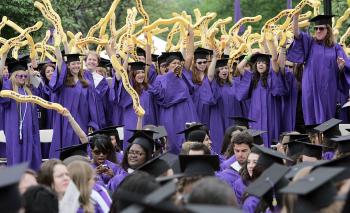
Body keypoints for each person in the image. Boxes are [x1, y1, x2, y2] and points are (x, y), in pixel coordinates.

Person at [287, 13, 350, 126]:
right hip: (311, 87)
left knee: (326, 124)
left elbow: (344, 68)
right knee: (311, 121)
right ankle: (314, 142)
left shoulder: (336, 48)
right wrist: (296, 16)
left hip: (328, 90)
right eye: (316, 28)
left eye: (321, 28)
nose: (318, 31)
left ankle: (325, 143)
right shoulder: (310, 42)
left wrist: (340, 67)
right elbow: (296, 33)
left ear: (328, 30)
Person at [49, 45, 99, 158]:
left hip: (82, 121)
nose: (76, 66)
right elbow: (54, 83)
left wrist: (92, 123)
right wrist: (58, 49)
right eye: (73, 64)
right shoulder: (62, 84)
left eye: (78, 63)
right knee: (65, 146)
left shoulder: (87, 84)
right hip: (64, 121)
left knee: (79, 147)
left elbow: (92, 106)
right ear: (68, 66)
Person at [236, 49, 288, 147]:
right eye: (259, 62)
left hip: (271, 114)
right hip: (256, 115)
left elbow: (275, 64)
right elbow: (239, 67)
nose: (260, 65)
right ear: (255, 65)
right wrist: (250, 54)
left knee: (271, 136)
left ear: (268, 65)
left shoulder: (272, 77)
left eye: (264, 63)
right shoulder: (252, 78)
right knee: (257, 138)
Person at [149, 51, 199, 154]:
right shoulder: (160, 78)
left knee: (188, 140)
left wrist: (190, 35)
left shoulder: (183, 77)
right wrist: (171, 75)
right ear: (167, 66)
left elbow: (189, 56)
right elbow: (161, 97)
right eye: (174, 63)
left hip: (186, 113)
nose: (177, 65)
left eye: (178, 63)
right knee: (171, 142)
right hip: (170, 115)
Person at [0, 56, 42, 170]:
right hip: (13, 130)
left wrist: (32, 73)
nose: (23, 78)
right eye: (20, 76)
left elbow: (40, 87)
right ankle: (15, 182)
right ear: (13, 76)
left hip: (29, 130)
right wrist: (3, 58)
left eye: (25, 76)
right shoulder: (8, 90)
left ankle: (30, 181)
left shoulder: (28, 91)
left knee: (31, 155)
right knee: (16, 155)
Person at [109, 61, 157, 145]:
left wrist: (160, 133)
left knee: (148, 147)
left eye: (143, 72)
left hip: (148, 122)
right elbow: (121, 75)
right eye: (138, 73)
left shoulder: (148, 88)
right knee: (133, 145)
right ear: (132, 74)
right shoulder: (128, 89)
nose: (141, 75)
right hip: (132, 122)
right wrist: (126, 56)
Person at [209, 54, 244, 152]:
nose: (224, 70)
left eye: (226, 68)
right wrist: (214, 58)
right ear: (217, 71)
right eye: (221, 68)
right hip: (218, 117)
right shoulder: (214, 84)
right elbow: (210, 75)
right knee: (219, 142)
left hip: (233, 117)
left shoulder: (234, 84)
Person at [83, 51, 111, 128]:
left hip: (97, 114)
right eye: (89, 59)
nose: (92, 61)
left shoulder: (102, 80)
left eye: (94, 60)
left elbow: (105, 102)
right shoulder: (79, 76)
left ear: (98, 63)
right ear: (85, 61)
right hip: (82, 111)